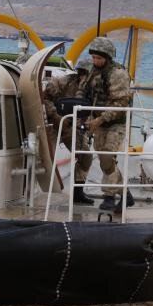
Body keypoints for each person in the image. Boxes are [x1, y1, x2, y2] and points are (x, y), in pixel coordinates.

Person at [76, 36, 134, 213]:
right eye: (93, 57)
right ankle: (126, 195)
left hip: (115, 123)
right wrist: (79, 107)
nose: (95, 61)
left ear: (108, 57)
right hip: (97, 122)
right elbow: (82, 90)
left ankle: (113, 195)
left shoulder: (118, 75)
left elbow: (120, 103)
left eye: (99, 58)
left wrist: (100, 119)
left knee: (108, 158)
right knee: (104, 161)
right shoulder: (92, 72)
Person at [43, 58, 93, 205]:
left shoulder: (94, 89)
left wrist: (87, 122)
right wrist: (56, 116)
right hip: (54, 124)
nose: (84, 77)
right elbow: (45, 99)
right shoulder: (62, 82)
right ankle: (41, 189)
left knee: (86, 156)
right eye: (83, 73)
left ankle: (78, 193)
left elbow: (95, 108)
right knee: (46, 157)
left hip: (73, 127)